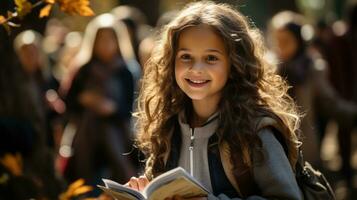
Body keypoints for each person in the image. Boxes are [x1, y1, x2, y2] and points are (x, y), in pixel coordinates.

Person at [126, 1, 304, 199]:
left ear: (235, 63)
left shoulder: (255, 131)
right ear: (170, 60)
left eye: (211, 58)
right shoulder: (167, 126)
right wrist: (145, 191)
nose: (196, 68)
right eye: (186, 56)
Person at [62, 13, 138, 191]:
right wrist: (84, 100)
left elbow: (131, 108)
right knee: (86, 185)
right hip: (85, 138)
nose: (106, 44)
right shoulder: (83, 69)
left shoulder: (126, 71)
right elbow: (68, 103)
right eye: (101, 39)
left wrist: (112, 109)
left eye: (110, 38)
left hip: (119, 139)